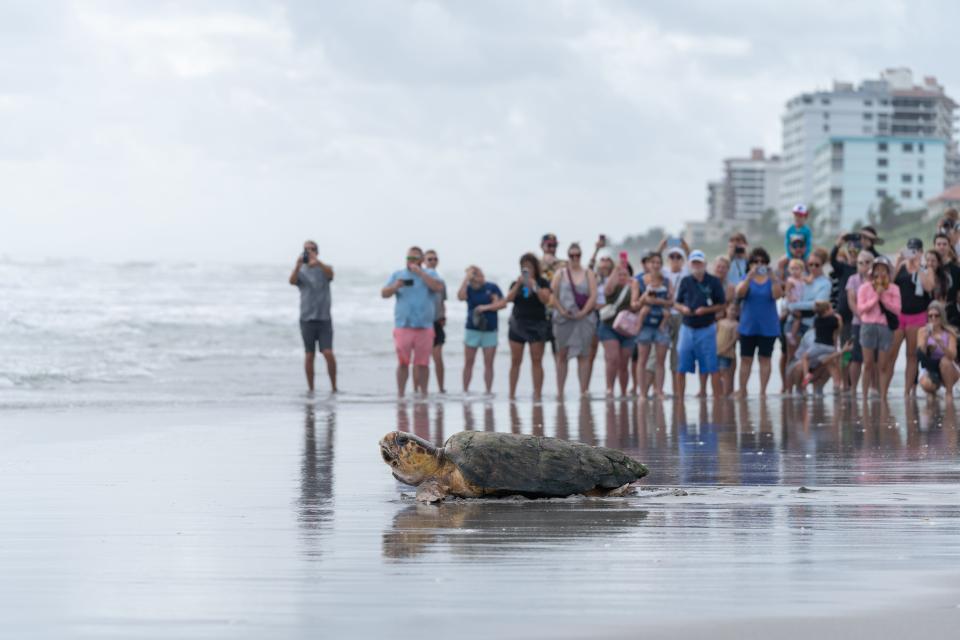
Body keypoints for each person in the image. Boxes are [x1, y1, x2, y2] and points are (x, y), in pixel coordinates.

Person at [381, 246, 445, 397]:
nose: (411, 261)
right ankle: (401, 394)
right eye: (409, 258)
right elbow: (384, 293)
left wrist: (420, 273)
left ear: (421, 260)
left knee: (423, 363)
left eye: (415, 258)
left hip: (425, 326)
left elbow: (438, 287)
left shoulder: (430, 273)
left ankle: (423, 395)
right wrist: (395, 286)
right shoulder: (398, 275)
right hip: (403, 325)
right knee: (403, 362)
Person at [673, 250, 726, 398]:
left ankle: (717, 400)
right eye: (694, 263)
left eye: (699, 263)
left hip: (707, 328)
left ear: (705, 264)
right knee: (682, 365)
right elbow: (676, 303)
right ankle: (680, 400)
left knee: (711, 366)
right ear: (690, 265)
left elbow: (722, 304)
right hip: (687, 328)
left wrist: (706, 310)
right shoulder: (685, 281)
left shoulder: (713, 281)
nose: (697, 265)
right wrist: (683, 308)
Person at [550, 243, 598, 399]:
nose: (575, 258)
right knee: (562, 354)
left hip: (584, 319)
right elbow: (553, 296)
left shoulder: (588, 273)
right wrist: (562, 311)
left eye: (578, 255)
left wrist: (584, 312)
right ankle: (559, 392)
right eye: (572, 255)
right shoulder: (560, 273)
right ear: (568, 256)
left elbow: (593, 295)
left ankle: (583, 391)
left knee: (584, 355)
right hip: (564, 319)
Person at [289, 240, 337, 392]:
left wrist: (318, 262)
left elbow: (331, 275)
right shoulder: (301, 270)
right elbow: (292, 281)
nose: (309, 251)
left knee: (328, 353)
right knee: (309, 355)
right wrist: (297, 265)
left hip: (324, 319)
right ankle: (311, 389)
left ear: (317, 251)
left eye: (312, 249)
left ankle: (334, 387)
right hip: (306, 318)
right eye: (306, 249)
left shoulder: (325, 268)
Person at [889, 238, 935, 395]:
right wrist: (898, 261)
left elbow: (929, 286)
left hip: (917, 316)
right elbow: (889, 283)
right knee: (891, 354)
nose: (913, 253)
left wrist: (917, 267)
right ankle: (884, 390)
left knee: (911, 355)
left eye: (916, 251)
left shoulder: (924, 269)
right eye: (910, 250)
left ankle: (907, 392)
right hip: (899, 315)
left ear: (921, 252)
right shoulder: (901, 267)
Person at [783, 247, 831, 392]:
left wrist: (795, 305)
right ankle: (792, 389)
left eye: (817, 264)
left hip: (814, 325)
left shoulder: (825, 283)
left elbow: (818, 304)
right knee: (793, 358)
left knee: (823, 357)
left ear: (822, 264)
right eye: (810, 264)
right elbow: (787, 299)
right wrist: (792, 304)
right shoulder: (801, 279)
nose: (813, 268)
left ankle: (817, 387)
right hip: (796, 322)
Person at [505, 253, 552, 401]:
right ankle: (512, 394)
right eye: (524, 267)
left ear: (535, 268)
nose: (527, 270)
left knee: (536, 360)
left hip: (537, 324)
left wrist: (534, 286)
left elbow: (546, 299)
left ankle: (537, 393)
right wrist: (519, 284)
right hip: (518, 323)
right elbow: (509, 299)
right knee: (515, 360)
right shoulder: (516, 283)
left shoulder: (542, 282)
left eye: (530, 267)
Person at [735, 247, 782, 397]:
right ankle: (743, 389)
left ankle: (763, 392)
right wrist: (749, 277)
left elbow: (777, 295)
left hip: (768, 326)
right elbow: (739, 293)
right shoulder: (745, 278)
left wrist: (773, 278)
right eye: (755, 261)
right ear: (750, 263)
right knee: (746, 359)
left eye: (762, 261)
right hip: (748, 326)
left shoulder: (772, 280)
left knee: (765, 359)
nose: (759, 264)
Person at [857, 256, 901, 399]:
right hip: (868, 325)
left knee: (883, 364)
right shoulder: (865, 287)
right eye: (878, 269)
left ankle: (883, 397)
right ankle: (864, 396)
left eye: (884, 270)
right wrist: (876, 295)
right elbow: (861, 308)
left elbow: (897, 309)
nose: (880, 273)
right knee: (868, 363)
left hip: (885, 327)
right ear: (873, 271)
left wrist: (883, 297)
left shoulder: (894, 288)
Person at [458, 266, 504, 394]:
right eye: (475, 274)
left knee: (488, 363)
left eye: (479, 273)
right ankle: (465, 390)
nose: (478, 276)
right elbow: (460, 296)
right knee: (468, 362)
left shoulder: (492, 287)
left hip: (490, 329)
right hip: (472, 329)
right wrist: (466, 278)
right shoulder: (469, 288)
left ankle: (488, 391)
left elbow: (502, 303)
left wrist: (485, 307)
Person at [598, 256, 639, 396]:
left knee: (624, 362)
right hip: (609, 327)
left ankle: (623, 392)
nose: (622, 277)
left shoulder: (633, 286)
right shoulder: (611, 287)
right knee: (613, 358)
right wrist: (617, 267)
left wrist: (634, 287)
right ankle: (609, 388)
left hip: (627, 329)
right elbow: (607, 289)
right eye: (619, 274)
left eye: (625, 274)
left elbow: (635, 304)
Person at [635, 251, 672, 399]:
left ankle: (659, 390)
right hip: (645, 323)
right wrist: (645, 298)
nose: (656, 265)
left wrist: (658, 302)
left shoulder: (666, 282)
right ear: (647, 264)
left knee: (660, 360)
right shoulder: (639, 281)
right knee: (642, 359)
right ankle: (642, 393)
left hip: (661, 323)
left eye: (658, 262)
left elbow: (671, 302)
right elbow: (634, 304)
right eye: (653, 262)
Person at [789, 301, 842, 395]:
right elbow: (838, 328)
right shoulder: (812, 336)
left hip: (817, 359)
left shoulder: (818, 322)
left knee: (828, 362)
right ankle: (801, 389)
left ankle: (817, 386)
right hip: (808, 362)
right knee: (827, 362)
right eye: (830, 309)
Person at [844, 252, 875, 394]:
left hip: (875, 322)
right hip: (858, 322)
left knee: (873, 358)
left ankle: (874, 388)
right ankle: (854, 388)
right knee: (856, 357)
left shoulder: (877, 279)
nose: (864, 266)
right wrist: (861, 315)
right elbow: (851, 301)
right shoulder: (852, 279)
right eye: (860, 263)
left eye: (867, 262)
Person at [661, 245, 689, 395]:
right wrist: (663, 244)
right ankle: (658, 390)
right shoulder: (663, 272)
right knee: (659, 353)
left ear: (683, 260)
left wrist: (684, 243)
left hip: (680, 315)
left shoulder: (686, 273)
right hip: (664, 314)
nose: (675, 260)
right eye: (672, 257)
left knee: (676, 355)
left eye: (678, 257)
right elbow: (655, 258)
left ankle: (677, 392)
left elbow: (692, 256)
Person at [917, 301, 959, 397]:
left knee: (944, 361)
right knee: (927, 384)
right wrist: (926, 339)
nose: (933, 318)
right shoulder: (922, 331)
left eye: (936, 315)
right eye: (930, 316)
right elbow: (920, 355)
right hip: (930, 367)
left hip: (948, 368)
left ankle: (949, 392)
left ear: (942, 316)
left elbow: (953, 355)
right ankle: (933, 393)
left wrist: (942, 345)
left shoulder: (949, 333)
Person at [424, 249, 447, 393]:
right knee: (421, 360)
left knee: (438, 357)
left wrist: (443, 316)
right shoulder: (420, 278)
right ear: (424, 261)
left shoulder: (440, 280)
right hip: (423, 323)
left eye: (434, 259)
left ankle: (441, 388)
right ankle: (419, 390)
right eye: (429, 259)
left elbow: (442, 301)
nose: (432, 261)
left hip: (437, 322)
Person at [933, 232, 960, 327]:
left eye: (944, 244)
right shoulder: (928, 268)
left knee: (952, 341)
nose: (941, 247)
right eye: (939, 244)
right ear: (934, 246)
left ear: (949, 246)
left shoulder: (957, 270)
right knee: (932, 342)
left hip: (951, 314)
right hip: (931, 315)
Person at [716, 302, 739, 397]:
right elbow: (715, 335)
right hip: (717, 351)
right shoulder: (720, 322)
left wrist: (725, 349)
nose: (732, 312)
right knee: (718, 373)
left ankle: (726, 393)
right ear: (726, 309)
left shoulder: (736, 324)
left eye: (735, 310)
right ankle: (720, 392)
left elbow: (734, 339)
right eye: (731, 309)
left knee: (726, 373)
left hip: (727, 353)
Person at [782, 258, 807, 347]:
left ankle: (793, 333)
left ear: (802, 270)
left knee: (797, 318)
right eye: (792, 269)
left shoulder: (802, 279)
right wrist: (790, 298)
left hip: (800, 301)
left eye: (796, 269)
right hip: (793, 301)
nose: (794, 271)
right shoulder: (790, 280)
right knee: (797, 318)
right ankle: (792, 334)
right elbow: (787, 292)